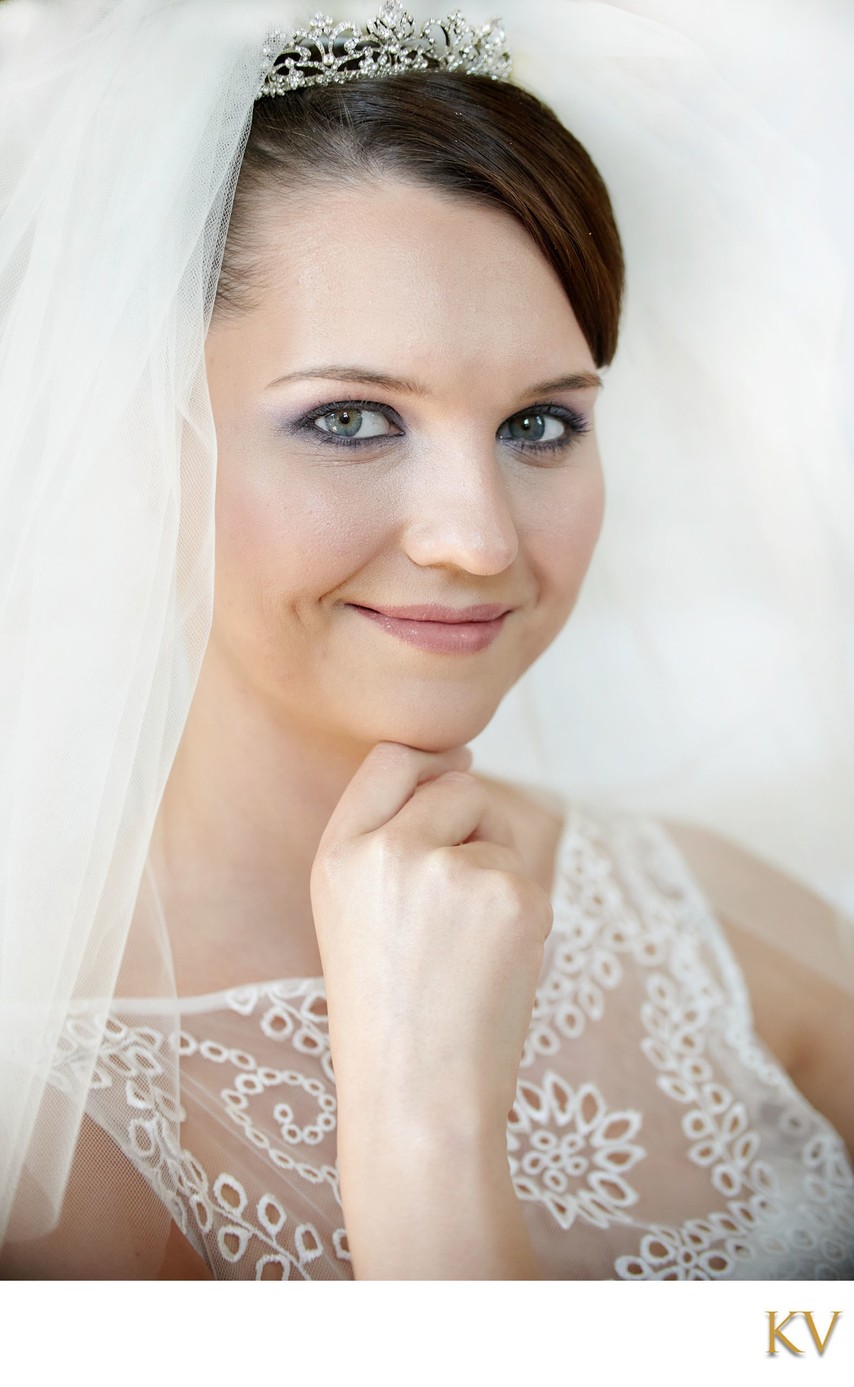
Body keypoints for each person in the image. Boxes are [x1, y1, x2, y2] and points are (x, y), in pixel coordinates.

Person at [1, 0, 852, 1280]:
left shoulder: (726, 932)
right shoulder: (45, 1138)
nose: (478, 540)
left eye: (537, 426)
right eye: (351, 419)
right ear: (144, 442)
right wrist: (419, 1122)